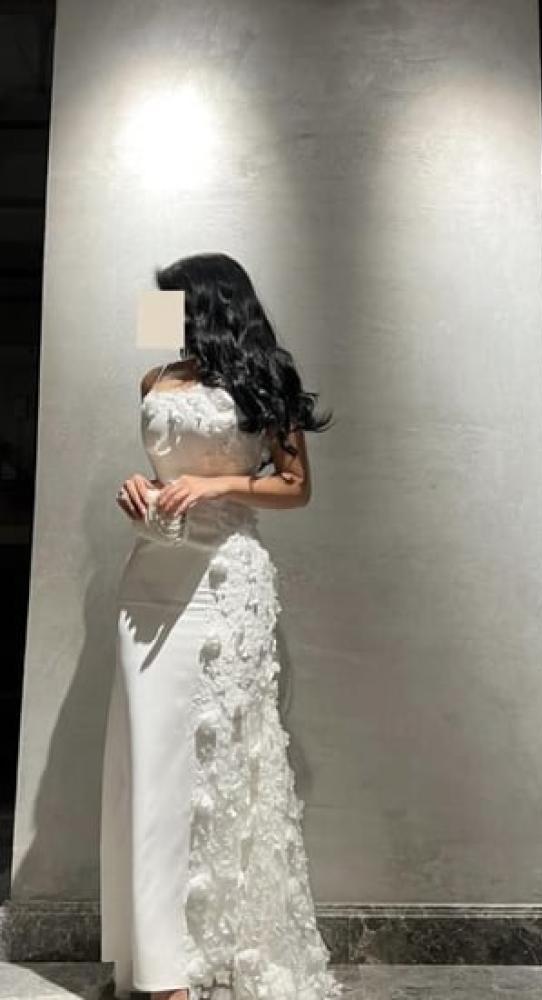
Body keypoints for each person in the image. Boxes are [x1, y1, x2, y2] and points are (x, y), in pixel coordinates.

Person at [99, 252, 343, 1000]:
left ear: (205, 304)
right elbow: (159, 467)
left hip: (226, 580)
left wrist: (219, 484)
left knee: (219, 764)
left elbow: (296, 488)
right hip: (151, 575)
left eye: (171, 302)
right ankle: (154, 965)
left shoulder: (265, 376)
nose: (160, 315)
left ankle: (214, 951)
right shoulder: (153, 377)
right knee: (150, 760)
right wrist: (139, 487)